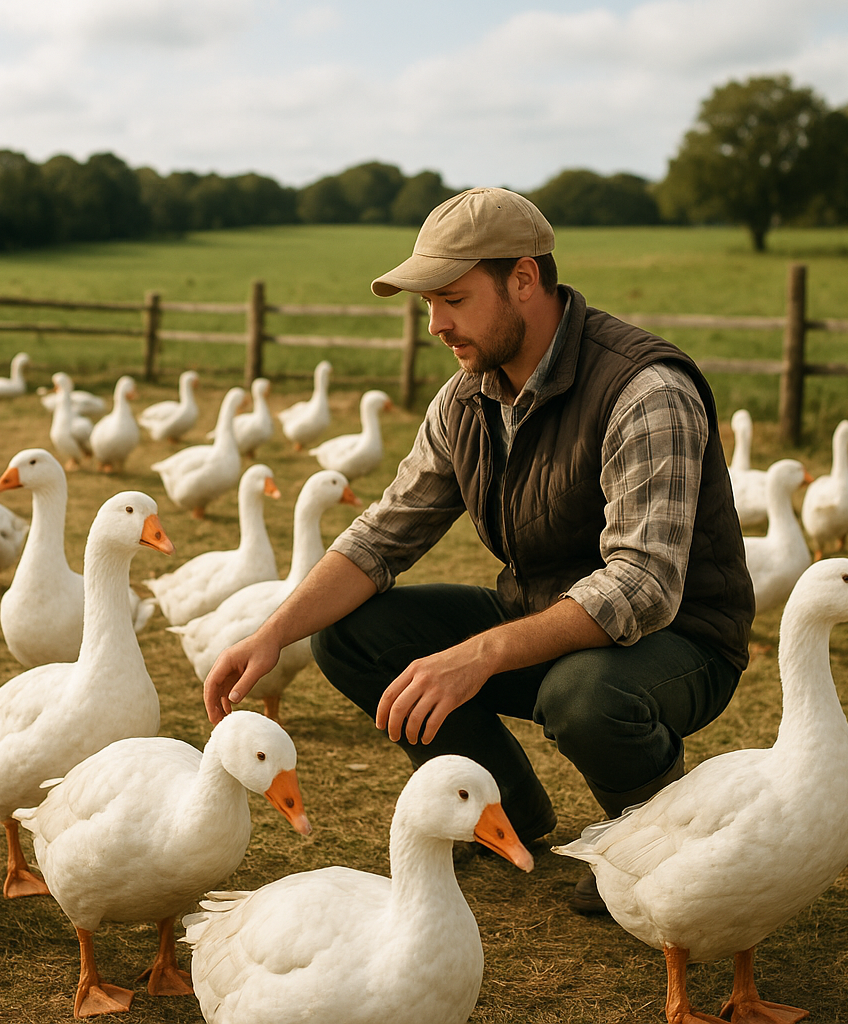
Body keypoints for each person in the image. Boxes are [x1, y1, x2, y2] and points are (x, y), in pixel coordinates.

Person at [202, 186, 755, 914]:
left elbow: (644, 585)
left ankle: (647, 843)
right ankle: (508, 816)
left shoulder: (645, 389)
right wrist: (272, 634)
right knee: (347, 634)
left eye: (453, 299)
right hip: (544, 620)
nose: (436, 325)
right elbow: (382, 535)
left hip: (678, 640)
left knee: (585, 695)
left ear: (523, 280)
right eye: (428, 303)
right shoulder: (466, 397)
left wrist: (480, 654)